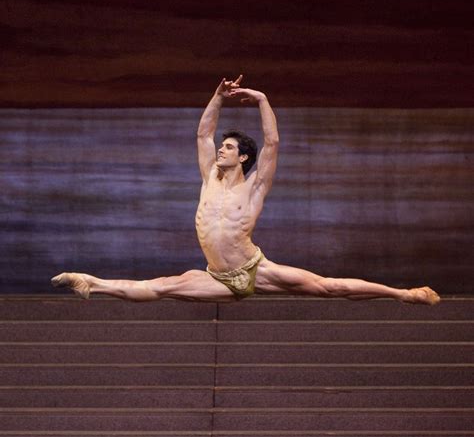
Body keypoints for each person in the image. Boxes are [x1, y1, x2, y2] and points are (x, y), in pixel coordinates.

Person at [51, 75, 440, 305]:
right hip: (217, 276)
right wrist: (218, 98)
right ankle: (91, 281)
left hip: (255, 269)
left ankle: (402, 293)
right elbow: (203, 133)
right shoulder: (209, 177)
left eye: (229, 147)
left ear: (243, 158)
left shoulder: (254, 187)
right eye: (223, 146)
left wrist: (262, 100)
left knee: (326, 286)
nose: (221, 148)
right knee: (162, 287)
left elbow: (271, 144)